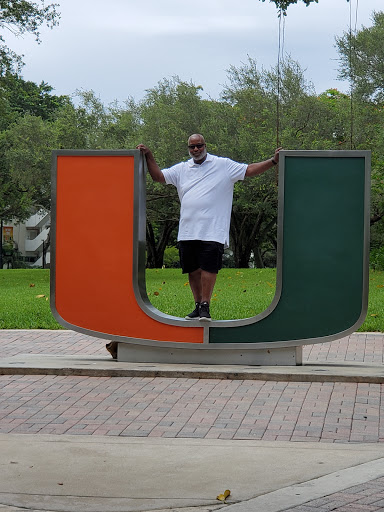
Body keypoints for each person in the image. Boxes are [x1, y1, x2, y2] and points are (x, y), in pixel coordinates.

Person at [136, 134, 281, 322]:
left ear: (205, 145)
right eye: (192, 147)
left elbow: (250, 170)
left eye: (199, 146)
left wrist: (273, 161)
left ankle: (205, 305)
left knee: (208, 268)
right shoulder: (182, 168)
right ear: (188, 149)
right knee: (193, 270)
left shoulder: (223, 165)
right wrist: (149, 155)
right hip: (188, 230)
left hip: (213, 229)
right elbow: (158, 177)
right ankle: (197, 305)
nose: (196, 149)